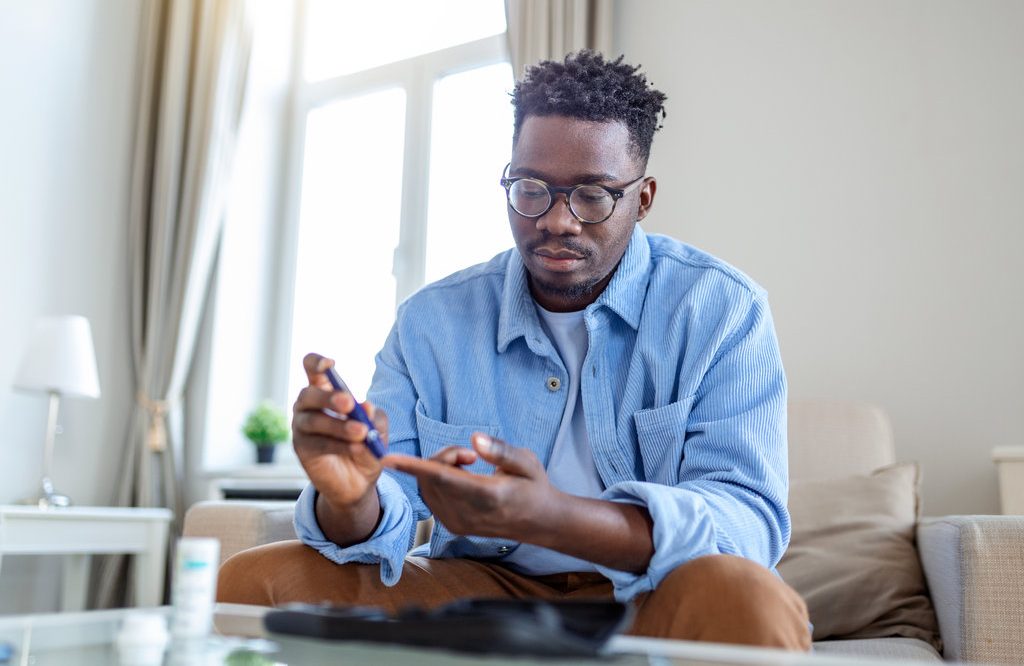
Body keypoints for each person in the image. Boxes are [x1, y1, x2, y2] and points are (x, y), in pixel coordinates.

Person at [218, 50, 811, 650]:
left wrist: (555, 517)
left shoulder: (721, 310)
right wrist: (352, 498)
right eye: (532, 189)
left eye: (593, 195)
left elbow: (746, 523)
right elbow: (384, 510)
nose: (558, 220)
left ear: (644, 197)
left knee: (749, 599)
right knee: (254, 580)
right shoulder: (433, 321)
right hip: (479, 593)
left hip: (646, 596)